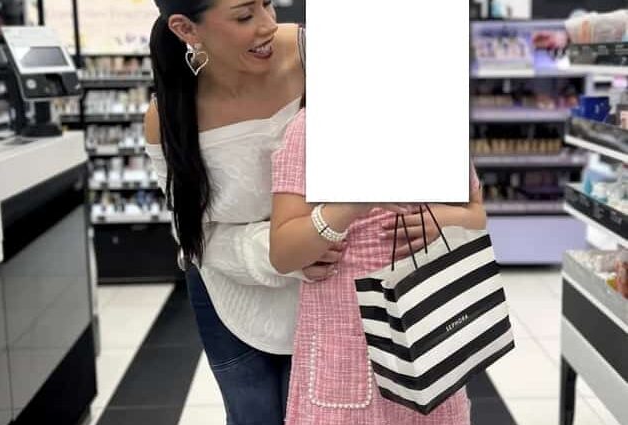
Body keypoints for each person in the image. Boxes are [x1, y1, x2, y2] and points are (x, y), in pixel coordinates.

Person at [144, 0, 474, 423]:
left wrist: (442, 218)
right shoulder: (169, 114)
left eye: (267, 3)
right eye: (244, 16)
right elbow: (190, 231)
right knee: (253, 415)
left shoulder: (320, 54)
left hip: (342, 293)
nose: (268, 24)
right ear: (186, 29)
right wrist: (281, 252)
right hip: (236, 297)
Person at [269, 108, 485, 424]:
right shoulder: (313, 125)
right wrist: (351, 206)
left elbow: (477, 216)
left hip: (430, 344)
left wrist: (444, 219)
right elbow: (283, 254)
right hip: (346, 352)